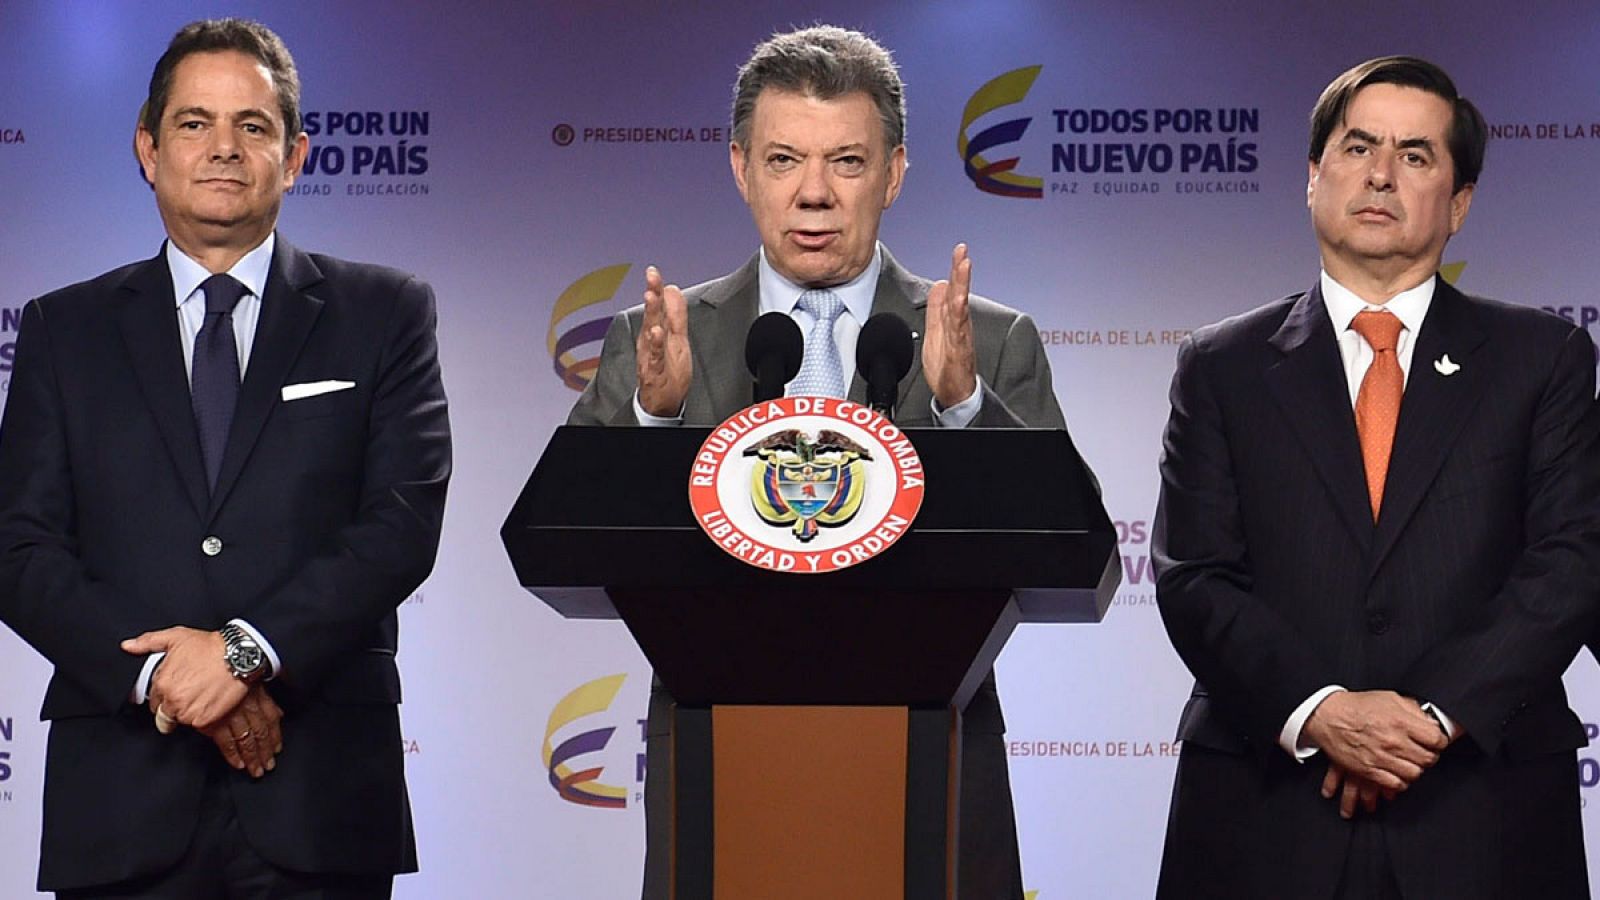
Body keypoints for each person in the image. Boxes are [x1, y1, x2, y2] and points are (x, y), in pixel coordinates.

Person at [569, 25, 1073, 900]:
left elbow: (1066, 541)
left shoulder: (988, 338)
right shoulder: (660, 339)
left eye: (845, 161)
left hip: (931, 763)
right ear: (739, 169)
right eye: (782, 160)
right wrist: (653, 414)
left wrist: (961, 405)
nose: (813, 194)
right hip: (721, 769)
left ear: (895, 173)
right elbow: (571, 538)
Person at [0, 19, 450, 899]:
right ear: (147, 147)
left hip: (318, 792)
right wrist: (166, 674)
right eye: (194, 123)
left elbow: (401, 523)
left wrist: (245, 653)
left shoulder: (384, 312)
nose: (223, 149)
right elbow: (17, 548)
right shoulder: (63, 329)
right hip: (122, 798)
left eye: (253, 126)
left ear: (295, 155)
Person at [1153, 55, 1600, 899]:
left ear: (1459, 204)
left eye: (1417, 155)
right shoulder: (1222, 364)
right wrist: (1321, 711)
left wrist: (1424, 721)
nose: (1382, 173)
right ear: (1314, 176)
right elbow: (1195, 577)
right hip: (1267, 806)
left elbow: (1571, 563)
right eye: (1358, 147)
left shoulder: (1543, 359)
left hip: (1482, 810)